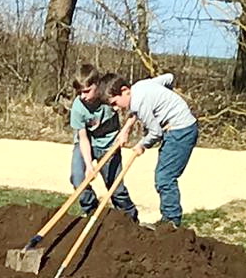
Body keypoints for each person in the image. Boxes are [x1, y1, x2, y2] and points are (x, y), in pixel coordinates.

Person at [103, 71, 198, 228]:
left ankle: (171, 223)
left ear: (125, 90)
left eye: (114, 103)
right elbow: (169, 78)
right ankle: (169, 219)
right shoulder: (140, 86)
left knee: (165, 178)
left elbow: (155, 132)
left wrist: (141, 145)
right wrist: (169, 102)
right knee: (163, 176)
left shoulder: (140, 103)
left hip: (181, 132)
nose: (114, 108)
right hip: (177, 129)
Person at [71, 70, 137, 220]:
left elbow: (135, 110)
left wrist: (126, 130)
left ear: (97, 85)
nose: (83, 96)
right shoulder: (78, 107)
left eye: (87, 91)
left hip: (109, 145)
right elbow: (82, 137)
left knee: (116, 189)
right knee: (78, 179)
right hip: (86, 144)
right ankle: (92, 212)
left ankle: (130, 219)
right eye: (80, 92)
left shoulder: (109, 97)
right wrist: (89, 165)